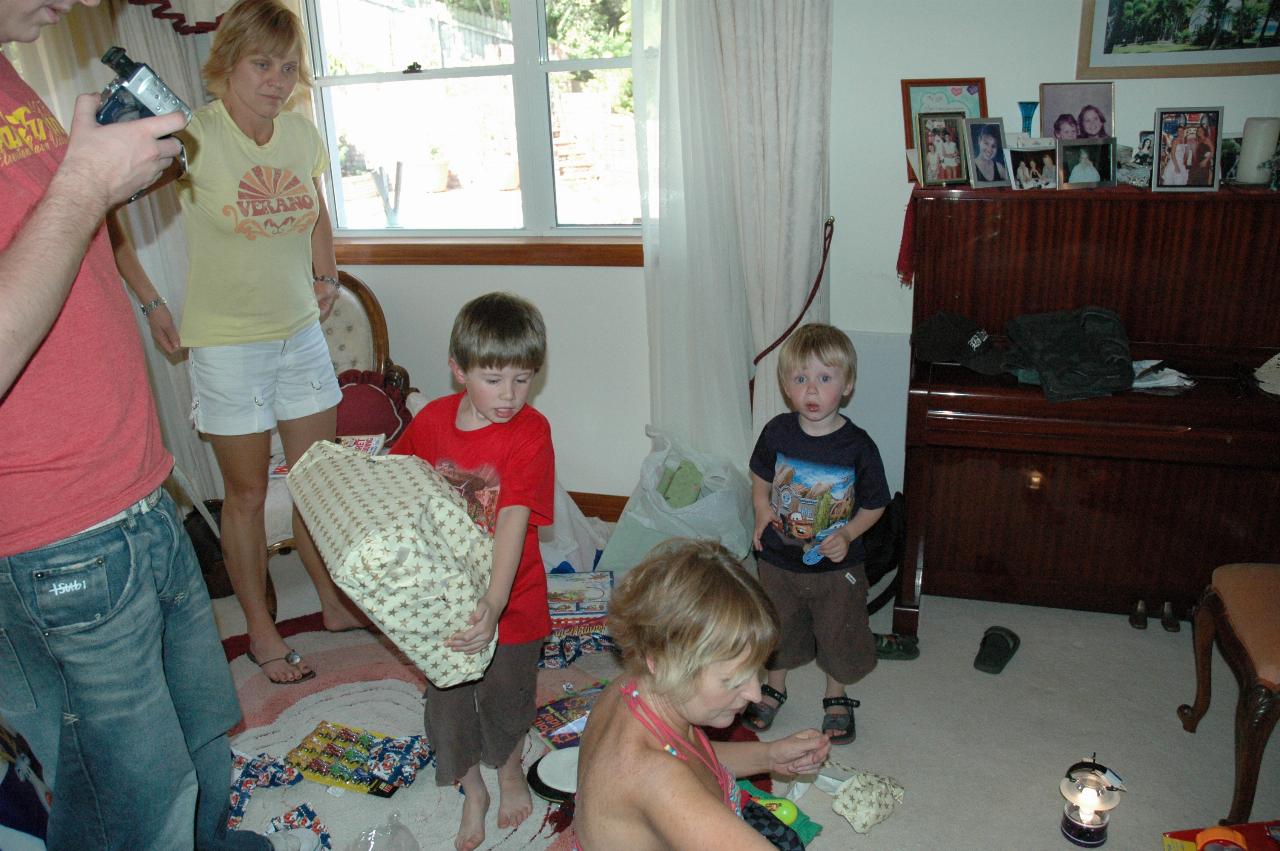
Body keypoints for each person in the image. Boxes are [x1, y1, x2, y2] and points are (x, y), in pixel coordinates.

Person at [0, 3, 315, 849]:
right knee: (130, 794)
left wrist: (99, 176)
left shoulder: (10, 77)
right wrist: (82, 184)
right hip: (55, 533)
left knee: (201, 732)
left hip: (139, 487)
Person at [121, 0, 365, 685]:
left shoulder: (298, 134)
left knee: (317, 483)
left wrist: (326, 270)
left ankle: (333, 603)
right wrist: (149, 299)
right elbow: (107, 210)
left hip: (300, 337)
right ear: (227, 61)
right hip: (227, 346)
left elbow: (315, 210)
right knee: (249, 495)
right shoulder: (191, 135)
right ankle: (261, 629)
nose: (277, 80)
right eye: (262, 63)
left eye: (288, 67)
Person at [390, 291, 554, 851]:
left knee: (508, 694)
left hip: (515, 592)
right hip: (442, 598)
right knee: (450, 698)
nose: (508, 396)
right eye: (492, 379)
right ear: (459, 370)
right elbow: (401, 483)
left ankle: (508, 771)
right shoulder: (433, 419)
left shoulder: (531, 431)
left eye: (522, 379)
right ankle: (472, 789)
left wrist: (496, 599)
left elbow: (512, 517)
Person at [573, 539, 832, 849]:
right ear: (663, 663)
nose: (753, 693)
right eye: (731, 680)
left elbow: (685, 753)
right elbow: (671, 776)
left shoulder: (631, 687)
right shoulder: (658, 781)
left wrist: (770, 756)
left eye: (756, 670)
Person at [742, 324, 890, 745]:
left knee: (838, 629)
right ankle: (774, 686)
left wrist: (849, 532)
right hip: (777, 560)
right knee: (777, 626)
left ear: (847, 386)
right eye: (801, 379)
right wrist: (761, 509)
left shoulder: (858, 446)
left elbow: (876, 503)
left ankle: (836, 696)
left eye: (825, 379)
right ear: (787, 387)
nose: (812, 390)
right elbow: (759, 475)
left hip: (836, 566)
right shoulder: (777, 432)